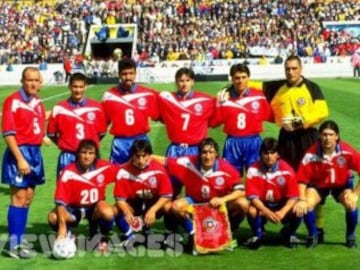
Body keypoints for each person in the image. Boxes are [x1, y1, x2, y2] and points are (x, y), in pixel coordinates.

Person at [262, 55, 329, 241]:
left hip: (308, 137)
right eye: (287, 69)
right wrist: (228, 89)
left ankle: (319, 229)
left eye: (294, 68)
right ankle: (290, 225)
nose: (290, 72)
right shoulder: (277, 87)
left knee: (313, 183)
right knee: (288, 179)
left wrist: (300, 122)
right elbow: (252, 85)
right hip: (286, 140)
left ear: (301, 69)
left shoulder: (312, 87)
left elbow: (322, 112)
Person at [154, 137, 249, 251]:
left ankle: (228, 232)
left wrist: (222, 199)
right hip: (195, 202)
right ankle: (193, 233)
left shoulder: (226, 168)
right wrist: (146, 157)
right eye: (204, 152)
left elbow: (241, 191)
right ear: (199, 154)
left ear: (216, 154)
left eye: (211, 152)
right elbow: (165, 161)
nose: (207, 156)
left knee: (243, 204)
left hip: (217, 204)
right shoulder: (188, 163)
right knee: (175, 206)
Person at [1, 67, 46, 259]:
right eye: (30, 80)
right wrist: (20, 158)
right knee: (18, 198)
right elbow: (9, 133)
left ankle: (19, 240)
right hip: (20, 153)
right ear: (22, 81)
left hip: (35, 153)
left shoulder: (37, 102)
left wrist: (41, 138)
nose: (33, 84)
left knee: (28, 197)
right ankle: (13, 245)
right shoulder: (13, 101)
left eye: (37, 80)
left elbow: (33, 126)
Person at [293, 120, 360, 248]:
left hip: (341, 184)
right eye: (324, 134)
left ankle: (350, 237)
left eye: (331, 134)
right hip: (319, 185)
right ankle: (313, 235)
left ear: (337, 136)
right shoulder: (310, 154)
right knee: (307, 203)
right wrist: (301, 199)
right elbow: (301, 180)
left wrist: (355, 194)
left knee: (351, 205)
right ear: (319, 136)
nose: (327, 138)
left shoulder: (347, 151)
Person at [48, 139, 117, 251]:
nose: (87, 156)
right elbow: (60, 201)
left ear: (95, 155)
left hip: (94, 210)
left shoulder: (104, 166)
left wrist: (151, 158)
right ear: (78, 154)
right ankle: (68, 234)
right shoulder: (68, 172)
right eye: (84, 153)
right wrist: (62, 226)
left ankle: (100, 235)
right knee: (53, 217)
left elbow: (124, 172)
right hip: (74, 210)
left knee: (108, 212)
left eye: (91, 153)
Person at [211, 63, 272, 175]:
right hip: (232, 142)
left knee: (256, 176)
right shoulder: (224, 98)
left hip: (254, 142)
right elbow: (215, 122)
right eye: (237, 78)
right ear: (232, 79)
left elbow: (270, 116)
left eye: (244, 77)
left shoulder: (259, 96)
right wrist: (219, 103)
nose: (240, 81)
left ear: (248, 78)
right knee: (232, 178)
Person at [47, 71, 107, 176]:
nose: (78, 90)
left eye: (80, 87)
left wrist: (89, 147)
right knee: (66, 190)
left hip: (90, 156)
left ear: (85, 87)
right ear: (69, 86)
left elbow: (102, 133)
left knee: (91, 188)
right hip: (68, 156)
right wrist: (66, 144)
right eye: (75, 87)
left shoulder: (96, 107)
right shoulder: (59, 108)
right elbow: (51, 134)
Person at [245, 137, 301, 249]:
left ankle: (289, 233)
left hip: (281, 204)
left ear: (278, 154)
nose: (269, 156)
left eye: (272, 153)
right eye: (266, 153)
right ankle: (258, 234)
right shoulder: (253, 169)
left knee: (298, 208)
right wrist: (265, 211)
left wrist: (282, 212)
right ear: (261, 154)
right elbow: (252, 197)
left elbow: (294, 197)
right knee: (251, 210)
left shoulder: (287, 170)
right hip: (263, 204)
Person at [113, 139, 173, 245]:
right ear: (132, 156)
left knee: (169, 206)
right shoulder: (123, 171)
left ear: (150, 155)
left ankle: (170, 233)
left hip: (152, 205)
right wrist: (127, 212)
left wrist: (153, 210)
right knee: (116, 209)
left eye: (144, 156)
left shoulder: (159, 169)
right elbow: (120, 199)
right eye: (137, 156)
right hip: (134, 206)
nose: (141, 160)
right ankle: (129, 235)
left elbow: (166, 195)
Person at [101, 58, 159, 164]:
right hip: (120, 143)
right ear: (119, 74)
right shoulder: (109, 95)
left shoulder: (147, 94)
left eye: (131, 73)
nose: (128, 77)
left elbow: (163, 114)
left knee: (144, 176)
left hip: (142, 140)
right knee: (119, 175)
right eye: (124, 74)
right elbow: (102, 124)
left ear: (135, 73)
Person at [158, 67, 215, 158]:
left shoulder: (206, 100)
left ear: (192, 81)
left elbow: (214, 120)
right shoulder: (167, 98)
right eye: (181, 81)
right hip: (175, 148)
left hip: (196, 148)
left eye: (187, 80)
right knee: (172, 172)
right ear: (176, 82)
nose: (184, 84)